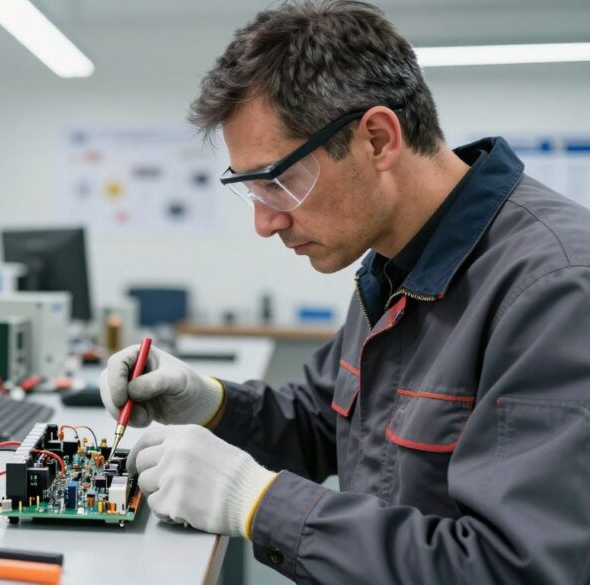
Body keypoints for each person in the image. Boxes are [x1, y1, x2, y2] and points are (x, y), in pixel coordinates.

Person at [99, 1, 590, 582]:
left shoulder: (554, 291)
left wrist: (257, 503)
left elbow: (511, 568)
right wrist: (207, 401)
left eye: (277, 182)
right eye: (249, 190)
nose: (265, 223)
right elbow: (321, 424)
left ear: (378, 139)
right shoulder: (392, 266)